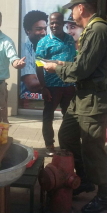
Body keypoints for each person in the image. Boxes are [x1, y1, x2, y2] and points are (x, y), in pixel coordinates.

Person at [43, 0, 107, 213]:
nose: (71, 13)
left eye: (72, 8)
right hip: (82, 97)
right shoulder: (90, 30)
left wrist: (57, 68)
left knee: (93, 148)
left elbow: (82, 69)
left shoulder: (98, 29)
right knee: (66, 135)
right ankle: (85, 179)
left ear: (81, 8)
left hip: (93, 99)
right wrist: (61, 65)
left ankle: (104, 196)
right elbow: (83, 64)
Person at [36, 12, 76, 156]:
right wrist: (43, 87)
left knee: (70, 117)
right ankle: (49, 145)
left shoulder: (70, 40)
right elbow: (38, 66)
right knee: (48, 117)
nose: (54, 25)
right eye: (51, 23)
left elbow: (74, 60)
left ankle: (66, 143)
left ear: (63, 23)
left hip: (69, 86)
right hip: (52, 87)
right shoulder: (43, 42)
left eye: (57, 23)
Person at [20, 10, 47, 98]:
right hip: (29, 103)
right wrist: (60, 78)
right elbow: (32, 85)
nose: (44, 33)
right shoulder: (24, 50)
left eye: (45, 29)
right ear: (28, 30)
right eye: (39, 29)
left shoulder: (46, 48)